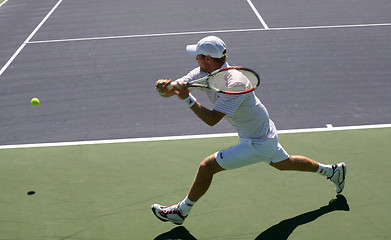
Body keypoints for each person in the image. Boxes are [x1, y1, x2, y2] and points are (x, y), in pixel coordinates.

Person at [152, 36, 346, 225]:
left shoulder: (235, 83)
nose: (195, 58)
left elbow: (212, 120)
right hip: (259, 130)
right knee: (284, 163)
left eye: (198, 56)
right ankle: (332, 171)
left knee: (206, 167)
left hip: (258, 140)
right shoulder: (202, 72)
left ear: (208, 59)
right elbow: (173, 90)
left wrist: (187, 98)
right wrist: (164, 88)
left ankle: (181, 211)